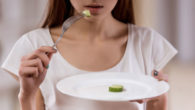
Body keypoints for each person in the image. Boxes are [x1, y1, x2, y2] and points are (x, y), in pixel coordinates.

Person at [1, 0, 177, 110]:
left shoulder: (147, 43)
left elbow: (156, 103)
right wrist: (27, 94)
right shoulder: (35, 45)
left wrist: (158, 100)